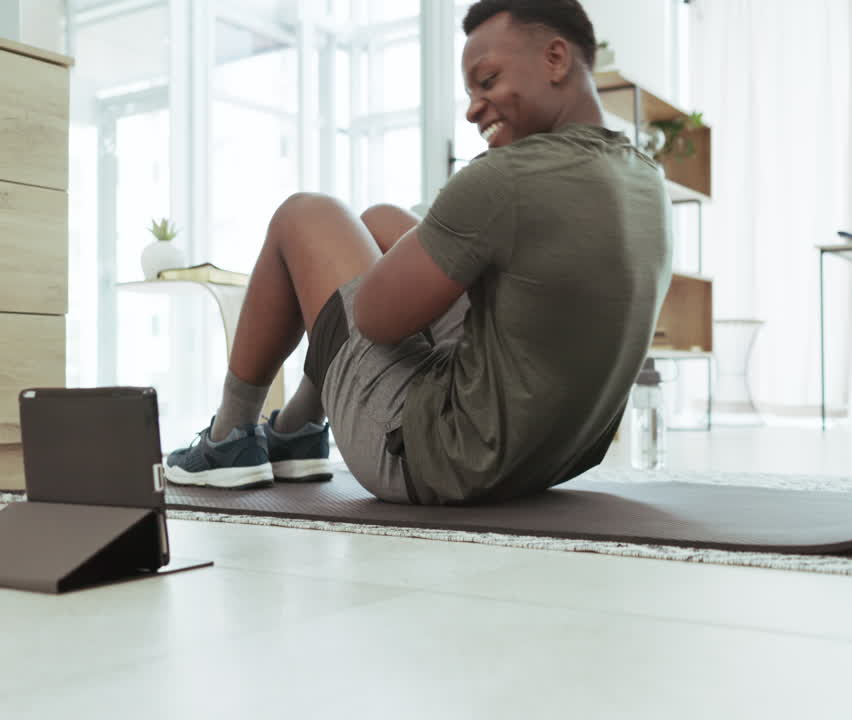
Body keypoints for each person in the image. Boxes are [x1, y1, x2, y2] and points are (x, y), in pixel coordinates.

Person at [164, 0, 673, 505]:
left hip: (443, 456)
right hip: (552, 452)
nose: (474, 108)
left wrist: (457, 226)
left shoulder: (504, 179)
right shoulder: (646, 178)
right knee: (381, 219)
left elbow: (374, 318)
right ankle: (298, 430)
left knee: (306, 214)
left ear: (556, 59)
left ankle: (228, 439)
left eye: (488, 80)